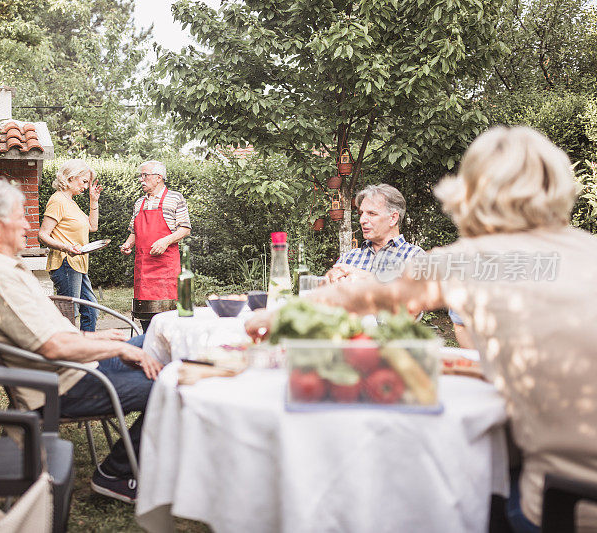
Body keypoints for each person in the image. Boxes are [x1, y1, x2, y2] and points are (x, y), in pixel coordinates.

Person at [248, 126, 597, 532]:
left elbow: (367, 295)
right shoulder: (588, 249)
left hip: (567, 508)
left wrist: (275, 315)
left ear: (473, 193)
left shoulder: (474, 260)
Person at [0, 178, 162, 504]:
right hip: (63, 385)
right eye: (20, 216)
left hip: (71, 367)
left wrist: (92, 336)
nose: (27, 224)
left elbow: (42, 331)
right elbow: (52, 347)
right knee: (164, 386)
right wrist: (119, 347)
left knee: (154, 342)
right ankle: (116, 474)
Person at [120, 160, 191, 331]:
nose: (141, 179)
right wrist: (128, 244)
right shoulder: (139, 203)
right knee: (145, 315)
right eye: (140, 176)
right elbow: (134, 231)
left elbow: (185, 229)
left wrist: (165, 241)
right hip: (143, 268)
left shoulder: (175, 198)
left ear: (159, 178)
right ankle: (147, 348)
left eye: (145, 175)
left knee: (167, 316)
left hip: (165, 267)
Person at [38, 159, 102, 332]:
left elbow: (92, 227)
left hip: (78, 265)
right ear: (71, 178)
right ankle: (66, 354)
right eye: (84, 181)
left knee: (91, 309)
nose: (86, 186)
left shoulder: (71, 202)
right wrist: (66, 247)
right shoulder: (58, 200)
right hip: (65, 263)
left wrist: (93, 201)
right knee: (68, 314)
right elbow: (43, 235)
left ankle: (85, 350)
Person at [326, 183, 424, 284]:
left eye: (372, 213)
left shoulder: (416, 257)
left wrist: (368, 279)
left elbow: (421, 297)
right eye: (361, 213)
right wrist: (327, 280)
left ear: (393, 218)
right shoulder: (348, 258)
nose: (362, 220)